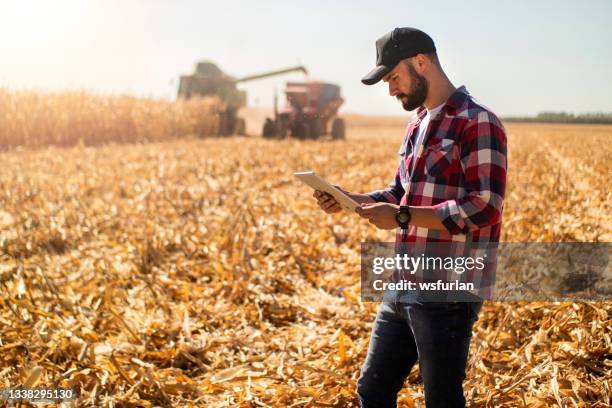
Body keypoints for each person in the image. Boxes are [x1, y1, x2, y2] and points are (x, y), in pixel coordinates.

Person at [313, 27, 507, 407]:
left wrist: (401, 217)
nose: (391, 90)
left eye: (393, 78)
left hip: (448, 288)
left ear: (421, 62)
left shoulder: (477, 121)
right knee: (372, 389)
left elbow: (485, 206)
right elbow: (400, 193)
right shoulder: (417, 124)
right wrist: (351, 199)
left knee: (441, 399)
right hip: (402, 281)